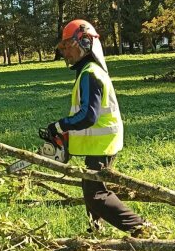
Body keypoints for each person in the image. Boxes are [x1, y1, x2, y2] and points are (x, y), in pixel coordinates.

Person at [47, 19, 150, 237]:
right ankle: (95, 231)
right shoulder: (88, 71)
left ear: (84, 42)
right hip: (101, 142)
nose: (66, 53)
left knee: (96, 194)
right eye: (64, 48)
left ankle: (140, 229)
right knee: (90, 189)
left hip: (102, 143)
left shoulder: (90, 74)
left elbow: (88, 116)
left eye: (69, 47)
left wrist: (59, 126)